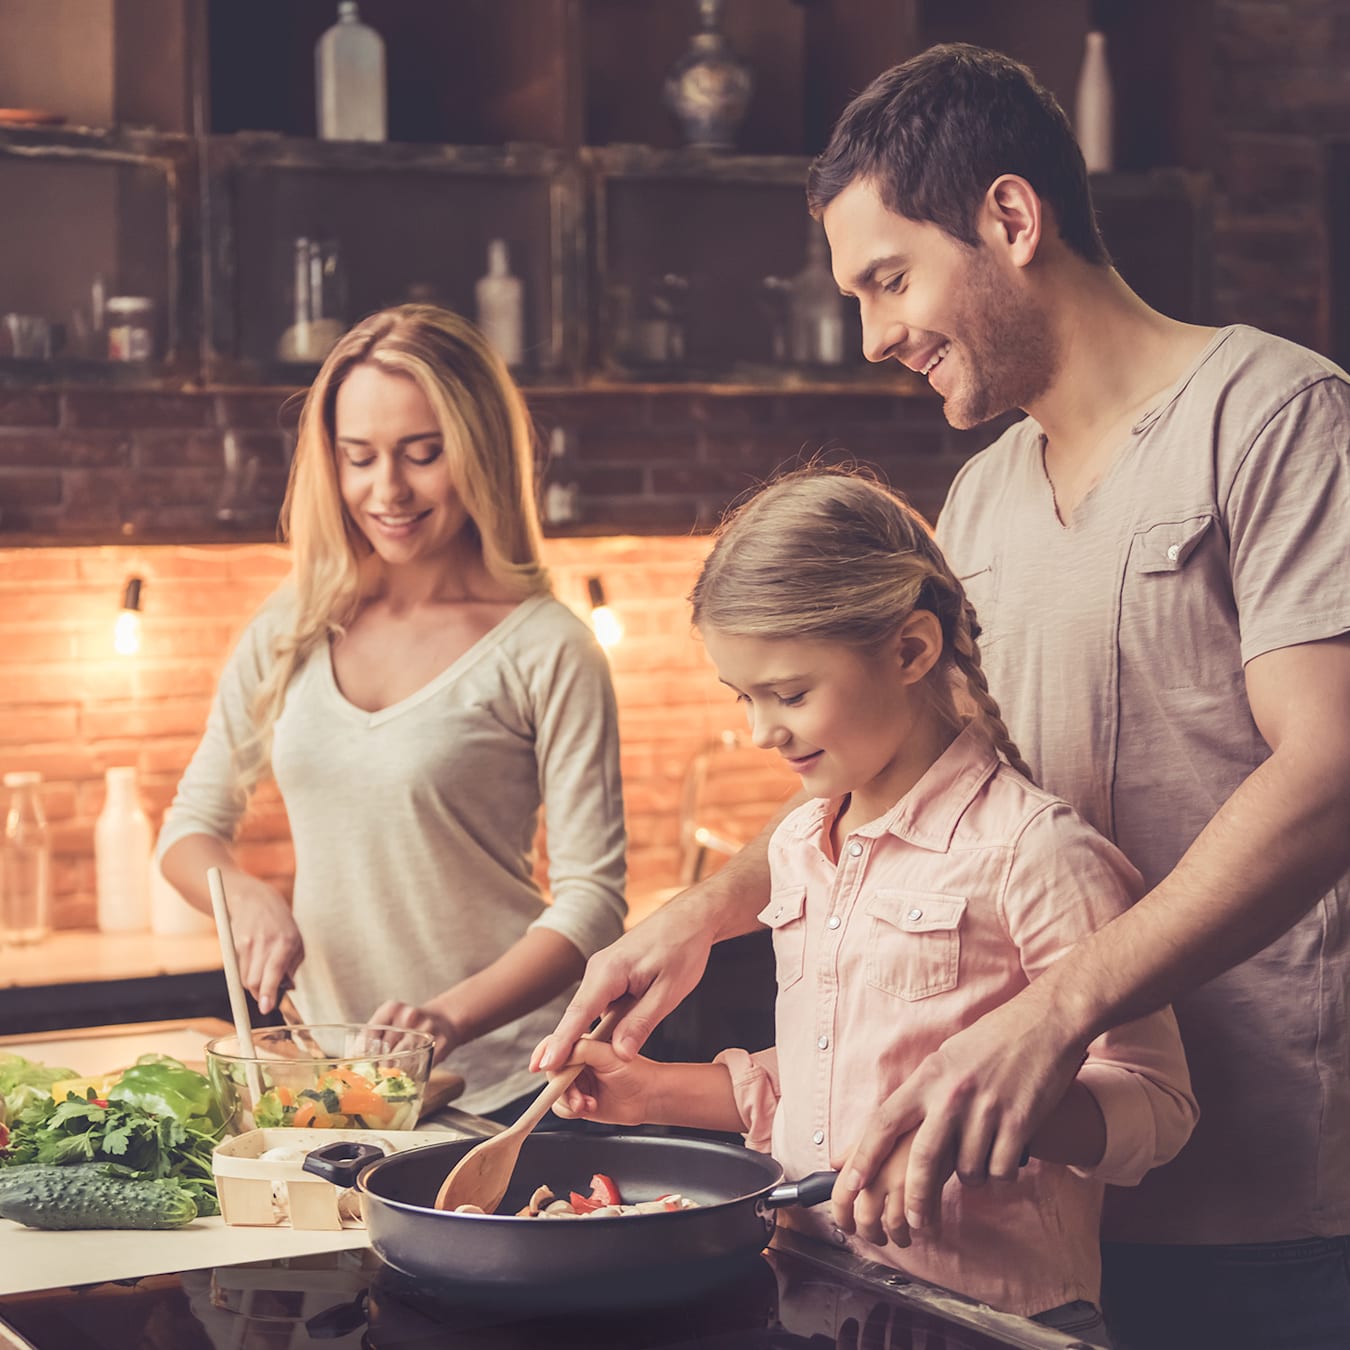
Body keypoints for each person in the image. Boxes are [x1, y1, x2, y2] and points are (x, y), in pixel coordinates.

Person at [536, 43, 1350, 1350]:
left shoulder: (1272, 417)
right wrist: (700, 914)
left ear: (1009, 219)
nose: (872, 335)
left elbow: (1328, 773)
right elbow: (928, 788)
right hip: (1024, 1212)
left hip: (1261, 1204)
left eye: (889, 278)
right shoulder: (980, 497)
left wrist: (1052, 1012)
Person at [549, 469, 1196, 1340]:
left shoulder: (1034, 853)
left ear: (910, 652)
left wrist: (997, 1106)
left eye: (790, 693)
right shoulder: (794, 850)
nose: (760, 732)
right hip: (814, 1291)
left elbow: (1157, 1109)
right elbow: (822, 1086)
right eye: (744, 697)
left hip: (999, 1319)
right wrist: (654, 1093)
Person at [159, 304, 627, 1119]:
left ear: (477, 451)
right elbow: (188, 830)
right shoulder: (291, 626)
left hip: (510, 1090)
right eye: (359, 458)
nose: (389, 490)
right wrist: (241, 894)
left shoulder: (548, 646)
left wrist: (445, 1019)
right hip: (339, 1085)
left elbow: (593, 902)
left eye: (422, 454)